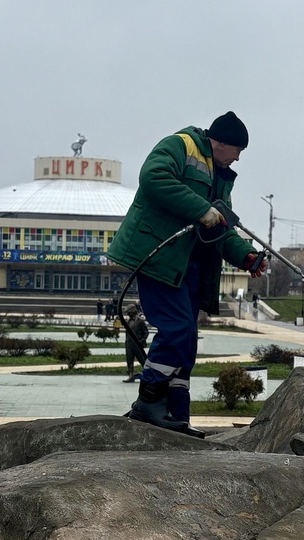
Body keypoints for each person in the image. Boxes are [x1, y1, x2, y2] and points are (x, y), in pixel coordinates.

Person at [107, 111, 267, 436]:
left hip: (191, 264)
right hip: (160, 256)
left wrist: (247, 256)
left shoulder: (221, 175)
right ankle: (148, 401)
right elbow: (153, 177)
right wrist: (201, 209)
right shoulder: (181, 145)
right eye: (237, 149)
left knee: (188, 340)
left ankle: (177, 414)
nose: (238, 157)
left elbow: (222, 226)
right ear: (219, 142)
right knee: (177, 329)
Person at [123, 306, 149, 383]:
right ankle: (131, 376)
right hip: (129, 344)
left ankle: (148, 375)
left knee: (142, 360)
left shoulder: (140, 321)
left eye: (129, 312)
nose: (128, 314)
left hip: (137, 345)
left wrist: (142, 340)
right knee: (129, 360)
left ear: (132, 312)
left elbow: (146, 332)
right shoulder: (128, 321)